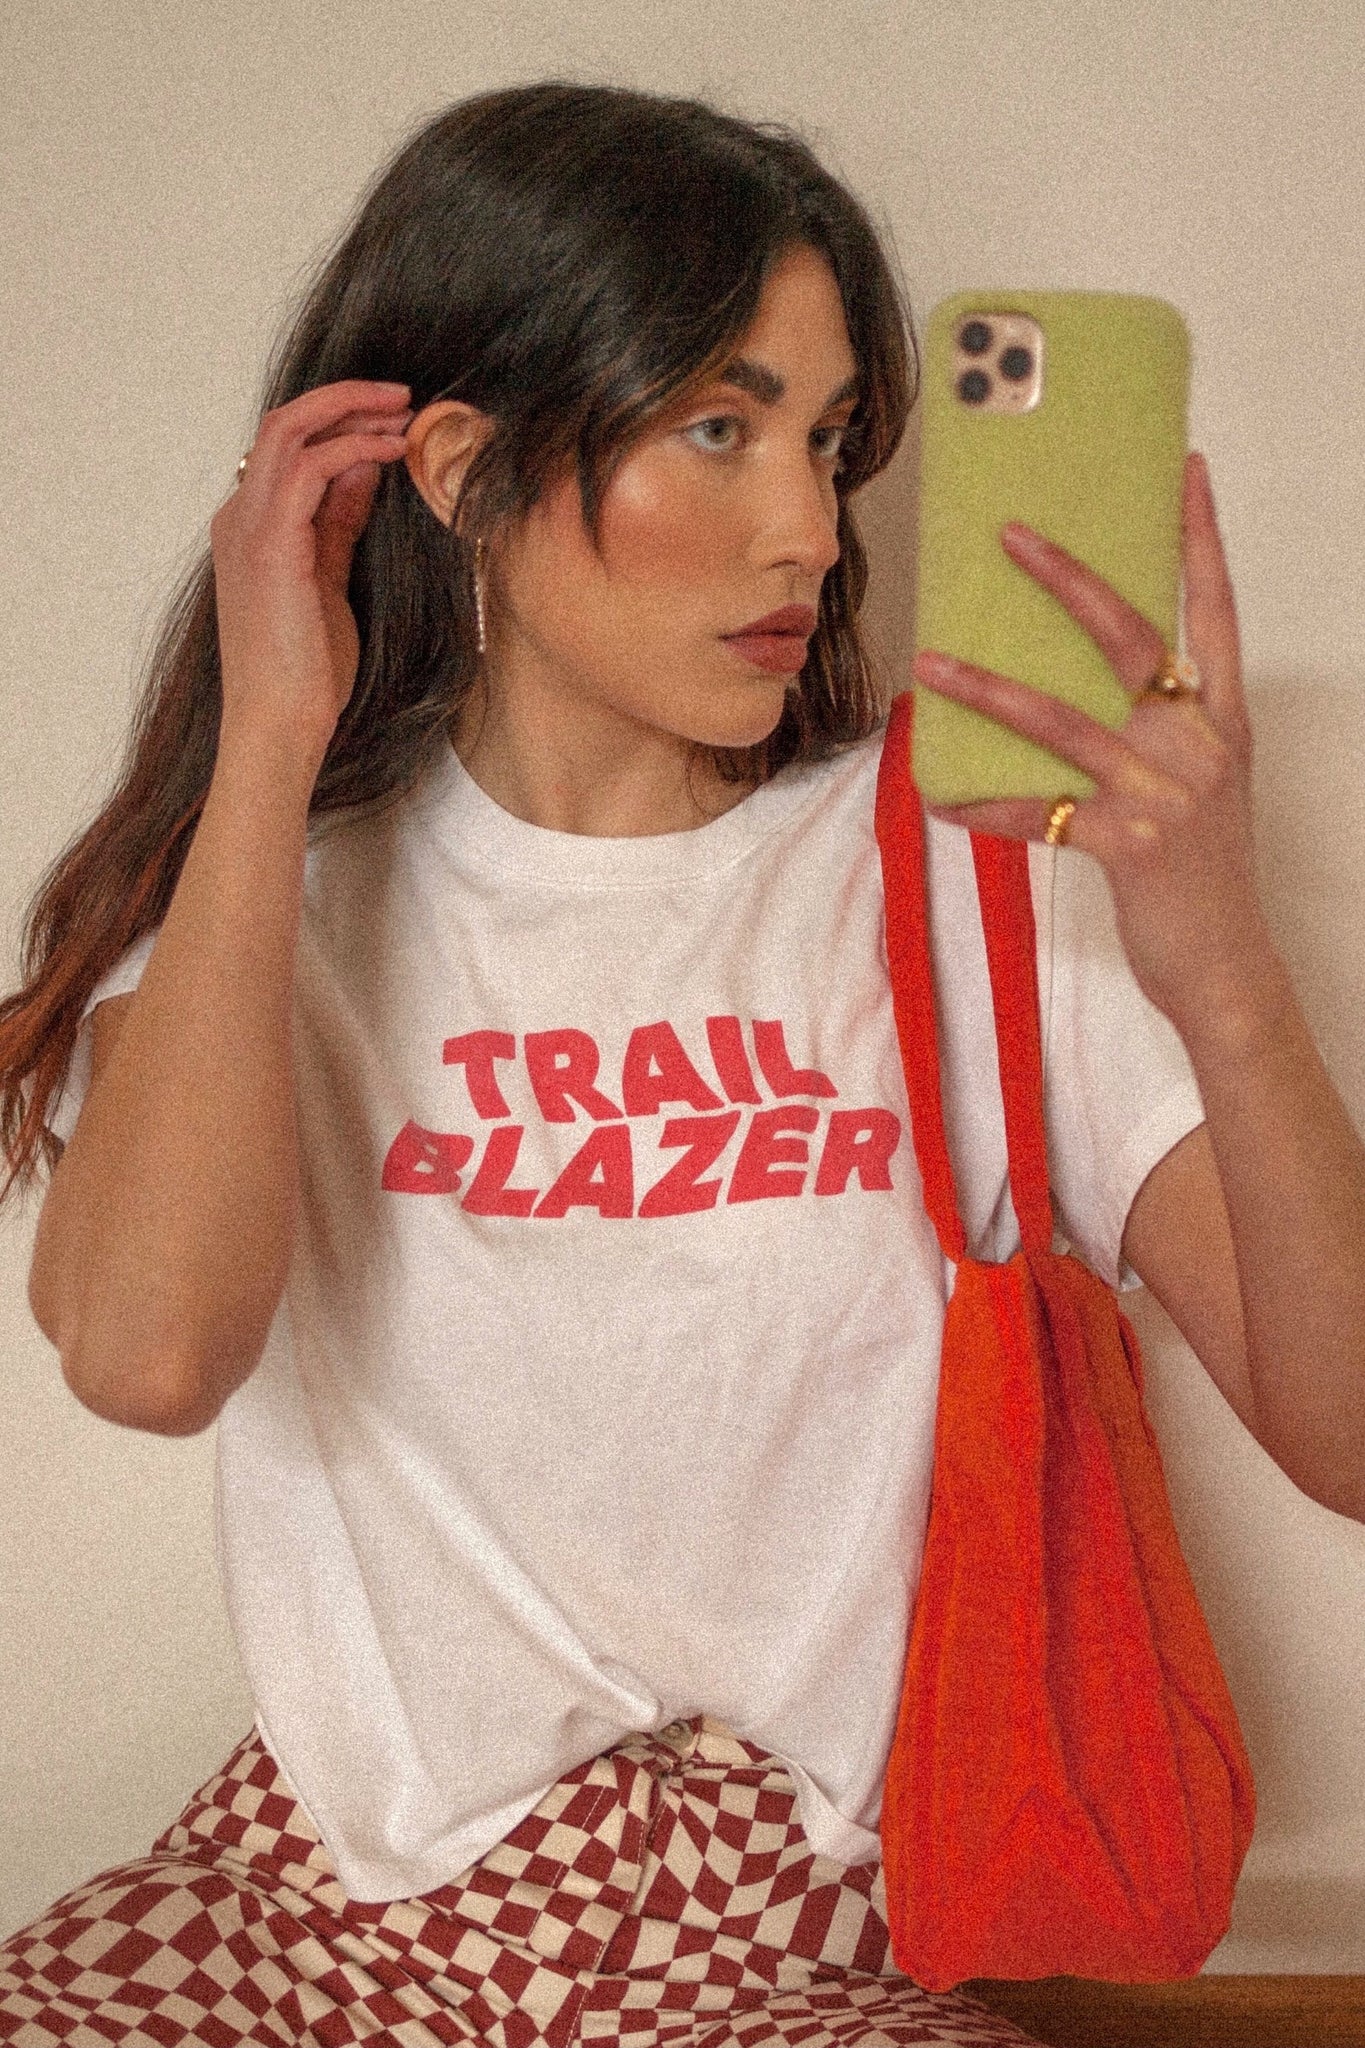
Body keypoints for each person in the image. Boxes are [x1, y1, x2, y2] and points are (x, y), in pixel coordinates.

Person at [1, 77, 1363, 2048]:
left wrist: (1221, 969)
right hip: (324, 1923)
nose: (807, 525)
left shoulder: (956, 870)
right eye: (718, 426)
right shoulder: (269, 906)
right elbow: (144, 1358)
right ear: (463, 468)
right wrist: (274, 739)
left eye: (826, 438)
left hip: (781, 1955)